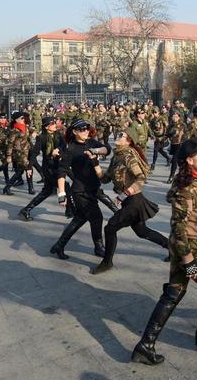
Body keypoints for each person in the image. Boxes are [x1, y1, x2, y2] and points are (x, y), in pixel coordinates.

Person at [131, 138, 197, 366]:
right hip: (188, 250)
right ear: (189, 160)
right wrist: (190, 263)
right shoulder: (185, 189)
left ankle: (145, 345)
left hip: (186, 250)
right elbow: (178, 231)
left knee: (174, 293)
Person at [92, 125, 169, 274]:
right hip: (131, 201)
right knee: (142, 231)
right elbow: (105, 178)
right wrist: (94, 162)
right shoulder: (117, 156)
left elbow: (141, 178)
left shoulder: (128, 156)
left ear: (128, 141)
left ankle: (107, 262)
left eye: (121, 135)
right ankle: (172, 248)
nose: (118, 136)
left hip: (134, 200)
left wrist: (125, 193)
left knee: (110, 228)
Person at [50, 118, 110, 260]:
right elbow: (62, 172)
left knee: (80, 219)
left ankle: (59, 246)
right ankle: (98, 247)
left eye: (87, 129)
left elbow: (107, 149)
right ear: (75, 132)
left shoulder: (91, 142)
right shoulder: (70, 148)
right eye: (82, 130)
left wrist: (95, 150)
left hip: (93, 187)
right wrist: (62, 194)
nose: (86, 131)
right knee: (97, 217)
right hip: (81, 191)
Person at [18, 117, 67, 221]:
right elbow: (35, 152)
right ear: (46, 127)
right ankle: (71, 210)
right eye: (52, 123)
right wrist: (29, 167)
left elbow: (64, 146)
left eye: (55, 122)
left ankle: (26, 210)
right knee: (66, 186)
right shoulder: (42, 137)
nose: (55, 124)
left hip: (59, 164)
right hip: (49, 168)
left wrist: (58, 150)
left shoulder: (59, 134)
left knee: (47, 191)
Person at [2, 112, 34, 196]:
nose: (24, 120)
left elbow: (30, 135)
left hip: (27, 151)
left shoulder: (25, 127)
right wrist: (9, 156)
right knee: (27, 168)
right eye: (22, 118)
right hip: (19, 153)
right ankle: (30, 188)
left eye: (24, 118)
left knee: (22, 171)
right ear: (16, 120)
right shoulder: (14, 130)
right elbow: (10, 143)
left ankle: (7, 187)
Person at [165, 110, 185, 183]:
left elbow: (186, 135)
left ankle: (171, 176)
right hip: (173, 144)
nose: (174, 118)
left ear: (179, 117)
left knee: (174, 160)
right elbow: (167, 134)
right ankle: (182, 175)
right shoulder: (170, 125)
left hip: (180, 144)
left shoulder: (182, 125)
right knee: (179, 162)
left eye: (176, 116)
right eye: (173, 116)